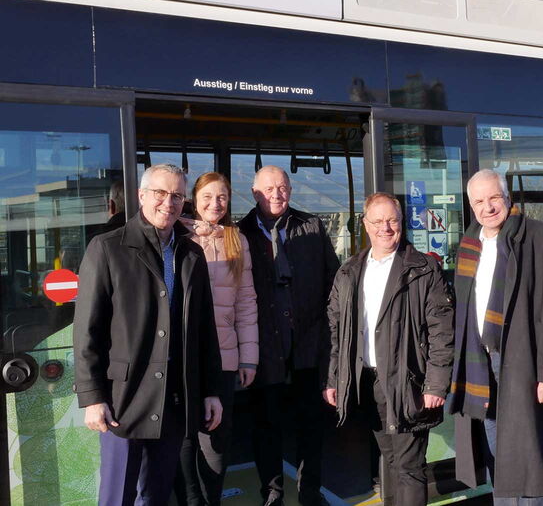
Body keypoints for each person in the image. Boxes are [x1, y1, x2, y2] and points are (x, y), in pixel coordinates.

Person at [73, 163, 224, 505]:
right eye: (159, 193)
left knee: (155, 494)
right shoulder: (107, 248)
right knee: (118, 496)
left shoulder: (192, 254)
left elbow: (204, 329)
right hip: (122, 398)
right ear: (141, 195)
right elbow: (87, 331)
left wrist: (211, 390)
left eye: (176, 195)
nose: (167, 203)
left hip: (174, 395)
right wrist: (92, 396)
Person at [448, 169, 543, 505]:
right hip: (480, 364)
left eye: (494, 198)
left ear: (507, 198)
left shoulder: (541, 237)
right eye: (479, 201)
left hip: (523, 362)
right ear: (471, 206)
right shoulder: (469, 243)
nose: (487, 207)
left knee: (531, 461)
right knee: (497, 458)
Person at [323, 192, 454, 506]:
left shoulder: (423, 269)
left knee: (409, 466)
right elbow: (337, 332)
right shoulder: (350, 271)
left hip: (408, 382)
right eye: (378, 221)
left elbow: (442, 332)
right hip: (367, 383)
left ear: (402, 223)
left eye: (392, 220)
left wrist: (436, 384)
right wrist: (334, 378)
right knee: (391, 461)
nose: (386, 227)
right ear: (366, 225)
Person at [238, 165, 340, 506]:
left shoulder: (311, 225)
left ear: (291, 190)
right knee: (266, 428)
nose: (277, 194)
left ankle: (310, 492)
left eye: (282, 187)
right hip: (265, 351)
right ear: (254, 194)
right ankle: (273, 495)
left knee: (311, 427)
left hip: (308, 347)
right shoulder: (239, 235)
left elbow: (334, 281)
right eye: (268, 189)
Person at [174, 172, 259, 506]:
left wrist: (249, 357)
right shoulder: (176, 234)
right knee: (183, 439)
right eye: (207, 196)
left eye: (222, 197)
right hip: (182, 357)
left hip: (223, 358)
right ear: (195, 198)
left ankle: (211, 500)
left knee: (216, 440)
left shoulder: (237, 239)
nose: (215, 203)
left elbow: (246, 302)